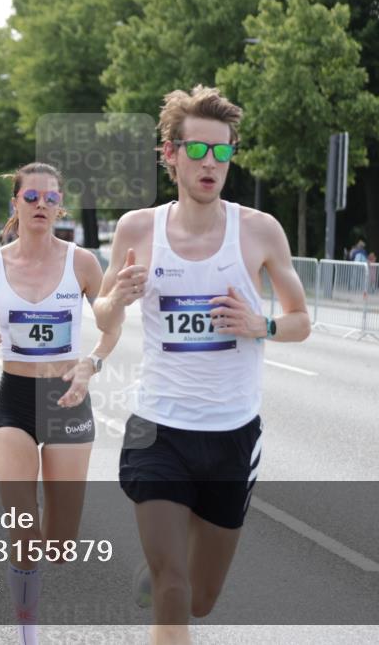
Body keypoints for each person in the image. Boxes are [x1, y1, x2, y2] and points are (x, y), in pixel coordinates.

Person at [94, 85, 310, 645]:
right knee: (173, 587)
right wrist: (116, 297)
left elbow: (301, 321)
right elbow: (103, 314)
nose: (210, 163)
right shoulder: (137, 229)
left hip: (231, 434)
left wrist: (260, 326)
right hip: (157, 429)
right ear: (171, 154)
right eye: (197, 150)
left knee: (201, 598)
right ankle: (163, 572)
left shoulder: (259, 230)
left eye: (222, 151)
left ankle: (164, 572)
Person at [0, 162, 119, 645]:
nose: (40, 205)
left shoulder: (82, 264)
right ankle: (27, 630)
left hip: (67, 400)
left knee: (60, 546)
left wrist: (92, 363)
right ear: (15, 203)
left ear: (60, 206)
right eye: (31, 197)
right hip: (14, 400)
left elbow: (111, 326)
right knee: (23, 528)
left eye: (50, 198)